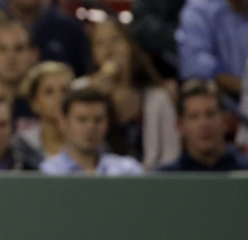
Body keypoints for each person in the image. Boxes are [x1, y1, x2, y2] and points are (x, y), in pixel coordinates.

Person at [83, 17, 180, 169]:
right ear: (94, 55)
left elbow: (170, 157)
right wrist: (92, 98)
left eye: (115, 39)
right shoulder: (81, 92)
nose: (109, 49)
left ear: (130, 46)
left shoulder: (158, 98)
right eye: (100, 43)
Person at [40, 86, 145, 176]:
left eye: (98, 120)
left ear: (107, 123)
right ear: (63, 123)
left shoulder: (128, 170)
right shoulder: (47, 173)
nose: (90, 127)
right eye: (82, 120)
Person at [158, 78, 248, 171]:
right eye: (194, 117)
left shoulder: (245, 171)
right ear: (180, 125)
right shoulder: (165, 179)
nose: (204, 124)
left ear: (224, 121)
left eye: (210, 114)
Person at [19, 60, 74, 159]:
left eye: (64, 90)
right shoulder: (21, 147)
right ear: (34, 102)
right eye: (49, 92)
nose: (59, 97)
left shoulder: (88, 142)